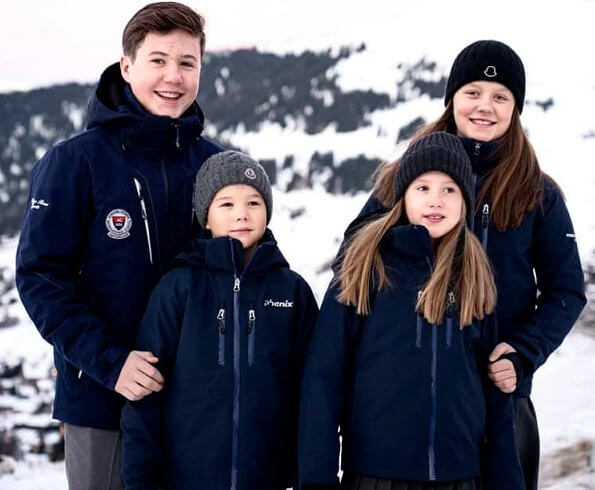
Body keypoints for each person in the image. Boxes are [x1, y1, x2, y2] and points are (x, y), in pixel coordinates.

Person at [342, 40, 586, 489]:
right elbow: (353, 263)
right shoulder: (406, 177)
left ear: (516, 108)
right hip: (407, 400)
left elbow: (567, 290)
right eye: (472, 92)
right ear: (452, 98)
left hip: (498, 396)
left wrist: (522, 353)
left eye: (500, 97)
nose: (484, 106)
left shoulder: (537, 193)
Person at [15, 2, 221, 488]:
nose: (173, 76)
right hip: (102, 401)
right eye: (158, 60)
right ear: (126, 66)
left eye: (187, 62)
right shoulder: (75, 162)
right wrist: (111, 363)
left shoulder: (214, 167)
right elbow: (40, 277)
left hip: (194, 405)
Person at [298, 132, 524, 490]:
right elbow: (323, 380)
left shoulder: (475, 276)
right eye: (422, 188)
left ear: (464, 202)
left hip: (460, 477)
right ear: (402, 196)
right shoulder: (365, 268)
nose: (436, 200)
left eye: (449, 189)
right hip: (376, 478)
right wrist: (316, 481)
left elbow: (494, 399)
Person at [121, 150, 318, 490]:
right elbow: (145, 393)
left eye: (254, 203)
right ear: (206, 218)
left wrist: (309, 475)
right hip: (186, 479)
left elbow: (313, 392)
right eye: (226, 204)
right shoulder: (179, 287)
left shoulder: (292, 291)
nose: (242, 213)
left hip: (268, 479)